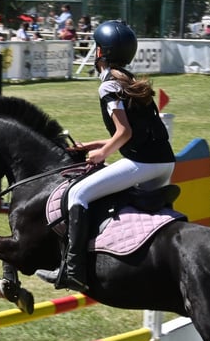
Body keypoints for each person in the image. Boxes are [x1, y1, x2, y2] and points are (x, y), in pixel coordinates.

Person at [53, 20, 175, 292]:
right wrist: (93, 145)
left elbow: (124, 132)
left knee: (77, 195)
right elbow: (132, 132)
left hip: (143, 163)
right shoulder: (128, 80)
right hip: (164, 162)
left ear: (100, 52)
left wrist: (101, 154)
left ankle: (74, 270)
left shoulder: (108, 85)